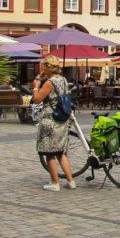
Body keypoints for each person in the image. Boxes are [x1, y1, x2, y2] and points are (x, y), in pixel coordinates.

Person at [31, 58, 76, 191]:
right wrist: (41, 76)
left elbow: (37, 99)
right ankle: (71, 181)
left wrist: (35, 87)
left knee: (49, 152)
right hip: (62, 118)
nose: (42, 69)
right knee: (61, 152)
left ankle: (55, 183)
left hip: (50, 119)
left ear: (48, 67)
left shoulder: (50, 83)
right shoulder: (63, 80)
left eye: (44, 67)